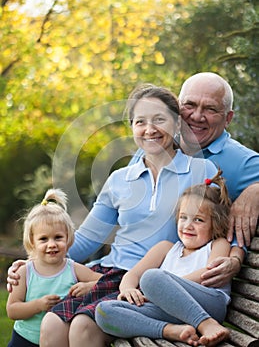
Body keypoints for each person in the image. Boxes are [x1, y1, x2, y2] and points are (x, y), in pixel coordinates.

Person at [37, 84, 219, 347]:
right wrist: (35, 262)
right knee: (51, 323)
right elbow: (87, 239)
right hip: (108, 273)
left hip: (157, 281)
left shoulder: (201, 170)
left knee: (82, 326)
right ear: (132, 127)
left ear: (178, 124)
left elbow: (219, 228)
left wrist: (233, 258)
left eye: (159, 120)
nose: (149, 129)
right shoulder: (119, 179)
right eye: (140, 122)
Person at [130, 72, 259, 287]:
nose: (197, 116)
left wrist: (256, 189)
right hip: (133, 269)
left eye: (210, 109)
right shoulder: (155, 145)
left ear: (228, 118)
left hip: (180, 281)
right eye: (189, 105)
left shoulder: (242, 162)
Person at [95, 169, 232, 346]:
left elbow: (208, 274)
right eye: (183, 218)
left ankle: (207, 324)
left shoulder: (218, 244)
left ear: (216, 224)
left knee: (152, 277)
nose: (188, 226)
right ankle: (171, 331)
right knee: (105, 311)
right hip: (172, 311)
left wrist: (164, 290)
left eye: (198, 220)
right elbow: (133, 275)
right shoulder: (166, 248)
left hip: (209, 304)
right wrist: (128, 288)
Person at [6, 189, 102, 347]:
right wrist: (38, 305)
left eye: (58, 237)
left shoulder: (73, 269)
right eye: (43, 239)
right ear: (32, 241)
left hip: (59, 339)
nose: (52, 244)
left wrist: (88, 286)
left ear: (68, 238)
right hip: (25, 339)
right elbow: (12, 310)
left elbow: (104, 282)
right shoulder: (25, 271)